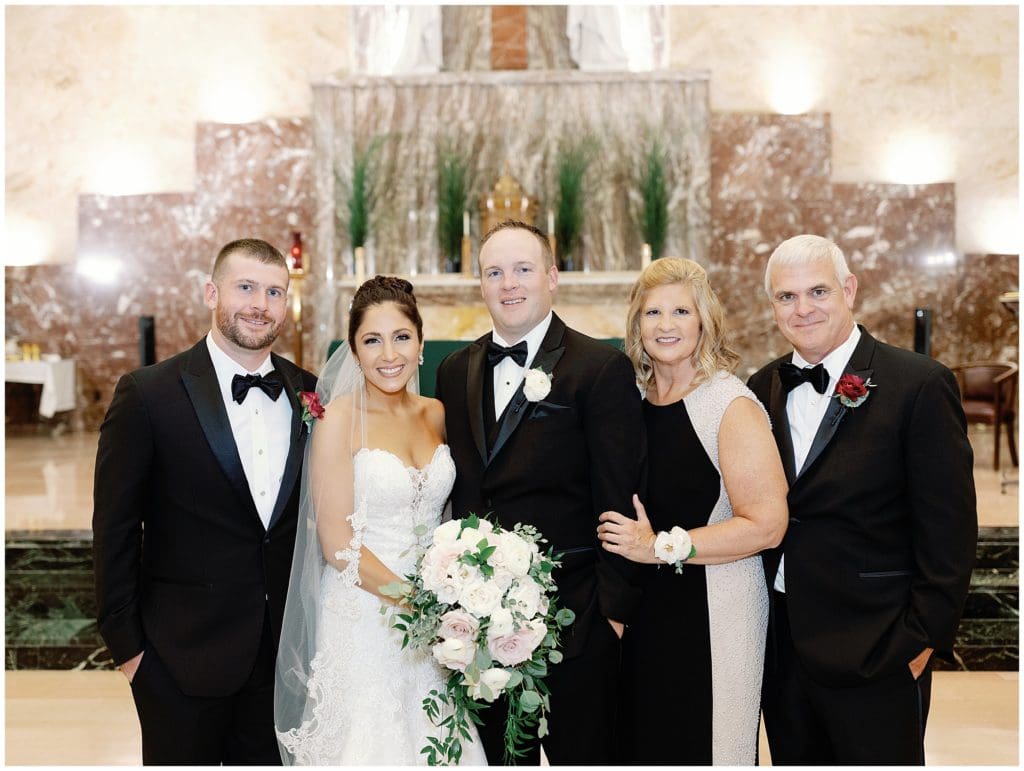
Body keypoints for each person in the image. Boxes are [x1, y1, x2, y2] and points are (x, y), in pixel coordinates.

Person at [747, 234, 977, 765]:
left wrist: (920, 641)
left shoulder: (919, 384)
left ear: (848, 289)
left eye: (818, 291)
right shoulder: (763, 386)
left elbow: (950, 530)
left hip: (879, 645)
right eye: (786, 297)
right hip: (784, 648)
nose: (803, 309)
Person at [92, 238, 317, 764]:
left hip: (281, 663)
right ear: (211, 293)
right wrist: (131, 654)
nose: (260, 304)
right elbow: (114, 529)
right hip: (178, 660)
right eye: (246, 288)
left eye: (274, 292)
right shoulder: (147, 394)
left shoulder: (309, 392)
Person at [435, 220, 647, 765]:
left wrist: (612, 616)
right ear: (480, 284)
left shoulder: (599, 368)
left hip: (577, 619)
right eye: (494, 273)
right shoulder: (454, 371)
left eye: (523, 269)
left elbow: (618, 495)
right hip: (480, 627)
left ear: (552, 277)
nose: (508, 284)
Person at [274, 276, 487, 766]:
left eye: (401, 337)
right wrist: (419, 604)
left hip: (437, 615)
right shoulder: (337, 418)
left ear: (421, 344)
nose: (389, 354)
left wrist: (459, 593)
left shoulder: (436, 413)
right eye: (372, 340)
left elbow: (449, 517)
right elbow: (336, 542)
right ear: (353, 350)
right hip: (365, 610)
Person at [596, 257, 789, 765]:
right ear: (636, 323)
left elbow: (767, 525)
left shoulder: (729, 405)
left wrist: (658, 547)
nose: (666, 325)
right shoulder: (630, 401)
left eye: (681, 311)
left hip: (713, 613)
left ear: (705, 320)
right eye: (653, 312)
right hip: (641, 615)